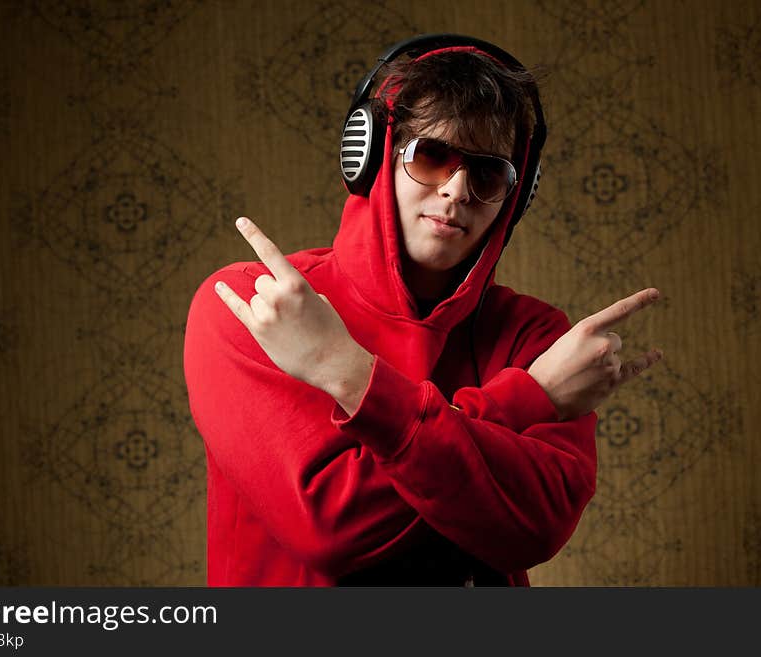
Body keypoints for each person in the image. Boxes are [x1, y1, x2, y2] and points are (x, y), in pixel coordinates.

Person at [183, 34, 663, 586]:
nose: (457, 190)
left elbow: (533, 533)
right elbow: (334, 530)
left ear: (518, 192)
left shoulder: (538, 336)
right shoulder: (256, 303)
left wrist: (346, 375)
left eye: (488, 174)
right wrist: (530, 397)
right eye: (432, 156)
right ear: (372, 156)